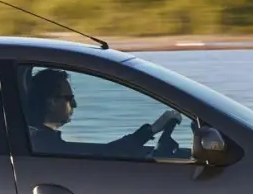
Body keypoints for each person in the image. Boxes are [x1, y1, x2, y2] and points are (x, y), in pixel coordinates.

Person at [24, 67, 181, 157]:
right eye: (69, 99)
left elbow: (100, 153)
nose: (75, 105)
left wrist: (148, 132)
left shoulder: (37, 139)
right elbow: (104, 154)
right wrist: (150, 131)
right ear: (51, 102)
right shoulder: (45, 144)